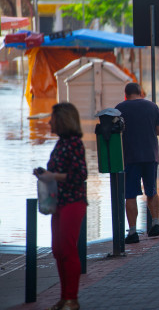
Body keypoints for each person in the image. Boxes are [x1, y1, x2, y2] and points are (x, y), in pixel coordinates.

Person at [33, 103, 87, 310]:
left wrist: (52, 176)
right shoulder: (61, 143)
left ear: (62, 120)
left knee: (67, 249)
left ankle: (71, 299)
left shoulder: (74, 143)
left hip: (73, 202)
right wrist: (43, 174)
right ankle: (64, 298)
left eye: (52, 118)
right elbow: (58, 172)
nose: (49, 122)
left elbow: (80, 175)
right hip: (59, 202)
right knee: (57, 250)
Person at [116, 83, 159, 244]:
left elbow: (115, 131)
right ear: (140, 93)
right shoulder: (152, 106)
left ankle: (132, 232)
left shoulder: (119, 108)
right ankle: (156, 223)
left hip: (130, 158)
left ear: (126, 94)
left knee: (130, 194)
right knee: (151, 191)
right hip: (151, 156)